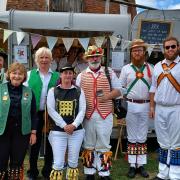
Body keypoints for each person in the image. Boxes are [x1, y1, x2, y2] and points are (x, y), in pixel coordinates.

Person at [76, 45, 121, 180]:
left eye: (97, 56)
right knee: (88, 143)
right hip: (88, 115)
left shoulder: (109, 72)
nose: (94, 59)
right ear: (87, 59)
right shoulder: (81, 75)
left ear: (101, 57)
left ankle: (104, 173)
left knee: (103, 143)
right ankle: (89, 173)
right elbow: (77, 95)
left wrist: (107, 96)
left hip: (105, 113)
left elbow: (119, 90)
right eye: (91, 57)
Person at [119, 39, 154, 178]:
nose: (137, 53)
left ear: (144, 52)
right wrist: (121, 108)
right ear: (131, 53)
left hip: (145, 105)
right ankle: (132, 165)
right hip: (131, 105)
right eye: (134, 50)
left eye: (139, 50)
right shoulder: (125, 69)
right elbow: (121, 88)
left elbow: (154, 88)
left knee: (142, 136)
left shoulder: (151, 68)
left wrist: (152, 106)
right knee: (132, 136)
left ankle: (141, 165)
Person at [47, 62, 86, 180]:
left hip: (76, 132)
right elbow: (51, 110)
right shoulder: (53, 91)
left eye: (70, 73)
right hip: (58, 132)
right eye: (65, 73)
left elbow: (82, 110)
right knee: (58, 162)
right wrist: (64, 125)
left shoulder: (79, 91)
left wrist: (73, 125)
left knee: (73, 162)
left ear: (73, 75)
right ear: (60, 75)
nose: (68, 75)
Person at [25, 47, 59, 179]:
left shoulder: (56, 76)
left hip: (52, 115)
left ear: (51, 60)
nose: (44, 60)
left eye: (47, 57)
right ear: (36, 60)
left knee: (51, 143)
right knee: (34, 143)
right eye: (41, 57)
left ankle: (47, 170)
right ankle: (32, 171)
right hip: (35, 114)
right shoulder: (29, 74)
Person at [0, 62, 38, 179]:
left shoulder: (29, 91)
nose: (16, 76)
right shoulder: (1, 89)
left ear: (24, 76)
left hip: (21, 132)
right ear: (9, 74)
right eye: (14, 73)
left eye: (20, 74)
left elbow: (33, 114)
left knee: (16, 163)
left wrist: (33, 133)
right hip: (2, 132)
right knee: (1, 161)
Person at [149, 36, 180, 180]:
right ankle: (162, 173)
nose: (170, 49)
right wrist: (151, 106)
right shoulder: (157, 66)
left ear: (178, 47)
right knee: (162, 142)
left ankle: (175, 175)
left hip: (176, 108)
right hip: (160, 108)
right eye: (167, 47)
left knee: (176, 143)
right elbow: (153, 87)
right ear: (163, 50)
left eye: (173, 46)